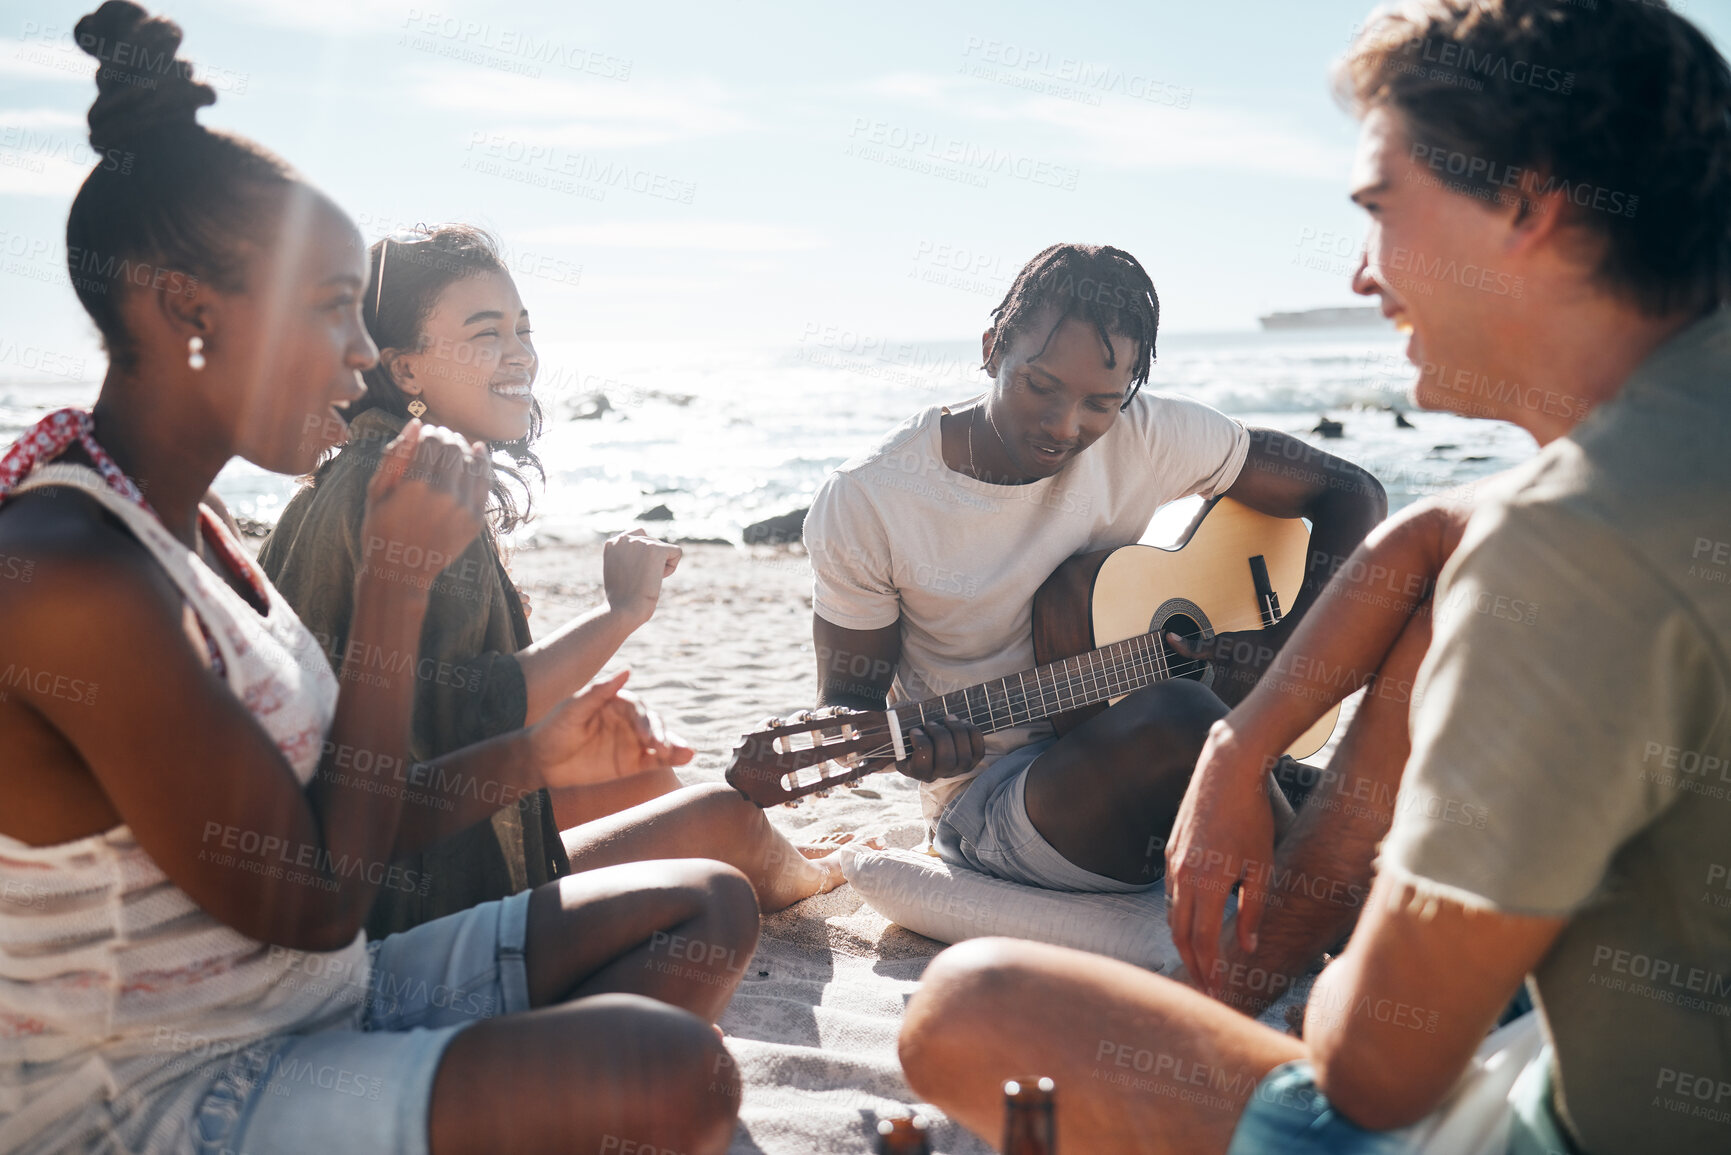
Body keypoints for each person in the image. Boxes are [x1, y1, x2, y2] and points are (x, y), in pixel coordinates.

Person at [898, 2, 1731, 1153]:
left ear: (1528, 205)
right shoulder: (1666, 450)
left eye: (1380, 214)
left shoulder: (1568, 552)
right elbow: (1444, 521)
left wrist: (1360, 943)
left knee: (973, 1010)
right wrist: (1246, 739)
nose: (1358, 275)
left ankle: (1269, 957)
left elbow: (1378, 1074)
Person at [0, 6, 751, 1152]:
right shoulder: (70, 577)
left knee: (708, 905)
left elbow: (324, 819)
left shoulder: (196, 527)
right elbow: (311, 901)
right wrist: (398, 586)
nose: (361, 355)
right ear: (188, 310)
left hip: (318, 1002)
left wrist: (533, 757)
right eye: (329, 307)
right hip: (154, 1094)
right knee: (669, 1072)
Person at [260, 224, 850, 934]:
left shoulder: (351, 468)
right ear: (407, 369)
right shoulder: (420, 490)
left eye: (523, 329)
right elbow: (470, 711)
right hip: (409, 892)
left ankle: (796, 858)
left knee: (644, 781)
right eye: (486, 333)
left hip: (348, 844)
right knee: (726, 820)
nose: (520, 355)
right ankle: (823, 873)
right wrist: (624, 610)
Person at [800, 242, 1385, 897]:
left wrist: (1283, 651)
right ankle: (1307, 926)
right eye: (1039, 386)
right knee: (1181, 713)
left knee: (1378, 818)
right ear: (992, 348)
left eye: (1099, 403)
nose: (1063, 425)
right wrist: (908, 751)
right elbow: (844, 711)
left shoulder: (1148, 434)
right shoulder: (869, 498)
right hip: (996, 801)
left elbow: (1351, 493)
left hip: (1164, 755)